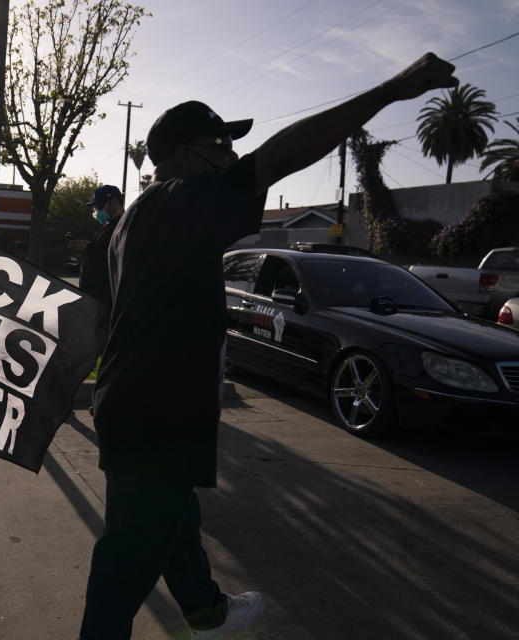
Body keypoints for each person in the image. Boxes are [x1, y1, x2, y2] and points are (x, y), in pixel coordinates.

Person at [80, 53, 458, 639]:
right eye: (221, 145)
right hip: (156, 413)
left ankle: (205, 611)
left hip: (138, 407)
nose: (231, 157)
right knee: (125, 562)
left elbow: (103, 316)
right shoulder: (183, 202)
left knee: (174, 514)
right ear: (185, 155)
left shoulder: (130, 222)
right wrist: (391, 90)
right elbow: (277, 159)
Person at [68, 184, 125, 314]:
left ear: (114, 202)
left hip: (106, 303)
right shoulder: (108, 227)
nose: (97, 211)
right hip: (95, 300)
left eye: (99, 207)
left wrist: (88, 248)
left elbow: (115, 259)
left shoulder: (123, 227)